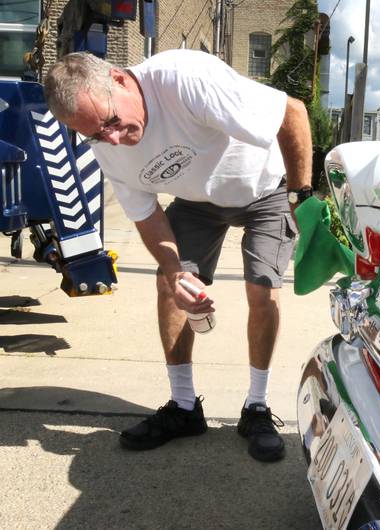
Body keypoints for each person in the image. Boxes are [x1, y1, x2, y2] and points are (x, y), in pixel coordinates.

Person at [44, 49, 314, 462]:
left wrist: (300, 197)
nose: (113, 139)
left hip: (264, 189)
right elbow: (146, 213)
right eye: (97, 135)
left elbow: (291, 112)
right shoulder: (106, 143)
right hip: (196, 200)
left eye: (112, 122)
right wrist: (175, 272)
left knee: (262, 290)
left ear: (119, 79)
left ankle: (256, 407)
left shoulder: (185, 80)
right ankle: (184, 406)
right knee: (170, 286)